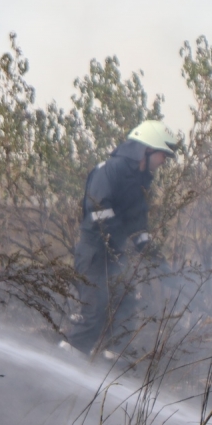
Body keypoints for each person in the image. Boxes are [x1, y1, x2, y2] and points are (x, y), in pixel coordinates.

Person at [62, 120, 178, 356]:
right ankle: (65, 362)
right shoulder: (110, 170)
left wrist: (158, 263)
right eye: (162, 154)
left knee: (124, 308)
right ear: (146, 150)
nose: (164, 161)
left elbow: (138, 226)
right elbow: (99, 209)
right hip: (94, 252)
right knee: (93, 311)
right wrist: (119, 238)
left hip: (115, 254)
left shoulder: (140, 182)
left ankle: (110, 368)